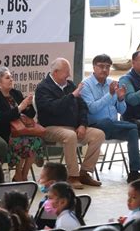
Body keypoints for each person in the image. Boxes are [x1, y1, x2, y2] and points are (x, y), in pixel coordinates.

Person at [35, 58, 105, 189]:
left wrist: (83, 124)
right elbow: (52, 108)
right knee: (70, 136)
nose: (69, 75)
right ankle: (73, 176)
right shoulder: (43, 88)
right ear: (55, 72)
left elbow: (83, 107)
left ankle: (84, 172)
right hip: (51, 128)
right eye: (66, 72)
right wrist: (72, 96)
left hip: (74, 127)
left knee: (99, 134)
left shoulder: (70, 85)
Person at [81, 54, 140, 183]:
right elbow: (92, 109)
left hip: (113, 126)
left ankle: (134, 172)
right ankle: (134, 126)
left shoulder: (112, 83)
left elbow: (122, 110)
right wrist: (110, 95)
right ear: (93, 67)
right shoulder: (86, 85)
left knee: (132, 131)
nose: (104, 70)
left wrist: (120, 99)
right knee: (110, 122)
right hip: (96, 126)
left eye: (108, 67)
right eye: (101, 66)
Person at [0, 67, 44, 181]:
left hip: (21, 130)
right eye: (7, 78)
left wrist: (28, 105)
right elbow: (0, 118)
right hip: (4, 131)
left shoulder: (16, 93)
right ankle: (18, 174)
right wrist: (19, 108)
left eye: (11, 77)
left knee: (36, 140)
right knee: (23, 141)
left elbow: (30, 114)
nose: (11, 80)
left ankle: (24, 174)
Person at [35, 162, 68, 229]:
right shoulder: (74, 200)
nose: (39, 181)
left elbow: (38, 226)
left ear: (52, 183)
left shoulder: (46, 204)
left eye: (41, 178)